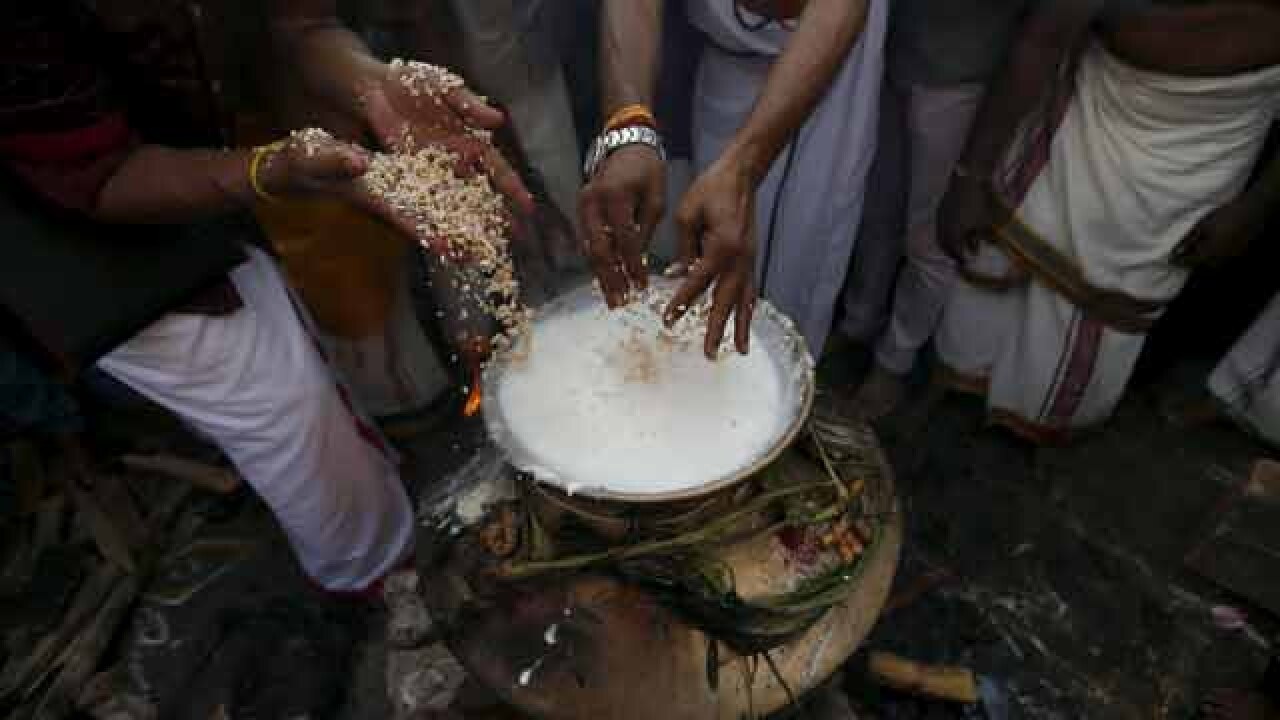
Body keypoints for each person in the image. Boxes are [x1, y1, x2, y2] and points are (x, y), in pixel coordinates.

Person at [0, 0, 529, 593]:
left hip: (191, 128)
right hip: (75, 222)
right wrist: (267, 171)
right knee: (270, 396)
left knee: (290, 339)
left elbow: (297, 23)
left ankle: (374, 485)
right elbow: (100, 180)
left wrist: (368, 80)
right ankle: (378, 573)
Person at [932, 0, 1280, 444]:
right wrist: (970, 179)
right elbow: (1037, 43)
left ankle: (1030, 433)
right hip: (1074, 145)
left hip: (1193, 185)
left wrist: (1255, 208)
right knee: (993, 292)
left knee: (1105, 321)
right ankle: (962, 400)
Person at [579, 0, 887, 358]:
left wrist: (744, 169)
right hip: (725, 50)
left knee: (789, 265)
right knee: (710, 246)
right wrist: (629, 125)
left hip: (817, 54)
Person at [840, 0, 1042, 421]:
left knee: (928, 238)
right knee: (877, 211)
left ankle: (893, 362)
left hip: (959, 76)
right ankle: (858, 323)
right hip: (893, 55)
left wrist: (974, 171)